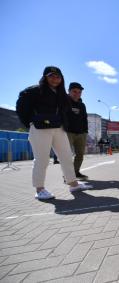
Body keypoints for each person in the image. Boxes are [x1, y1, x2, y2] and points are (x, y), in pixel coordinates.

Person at [16, 66, 92, 200]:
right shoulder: (34, 90)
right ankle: (40, 189)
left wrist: (65, 124)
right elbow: (21, 106)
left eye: (58, 76)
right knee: (42, 159)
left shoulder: (61, 93)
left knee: (66, 156)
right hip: (40, 128)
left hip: (58, 128)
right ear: (45, 77)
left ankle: (73, 184)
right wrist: (30, 122)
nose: (55, 79)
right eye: (51, 76)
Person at [65, 82, 89, 179]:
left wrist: (85, 131)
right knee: (66, 155)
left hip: (81, 133)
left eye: (79, 92)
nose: (77, 94)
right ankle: (67, 175)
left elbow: (84, 119)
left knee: (80, 154)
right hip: (68, 132)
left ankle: (75, 172)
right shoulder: (64, 102)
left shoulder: (82, 105)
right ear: (69, 91)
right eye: (74, 91)